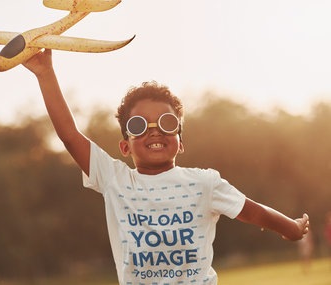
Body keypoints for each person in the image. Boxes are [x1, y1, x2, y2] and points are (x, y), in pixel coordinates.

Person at [23, 49, 310, 285]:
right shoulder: (115, 179)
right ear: (125, 147)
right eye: (138, 126)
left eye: (167, 123)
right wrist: (45, 73)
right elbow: (70, 135)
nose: (154, 131)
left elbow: (252, 210)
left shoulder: (204, 183)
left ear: (180, 142)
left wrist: (291, 228)